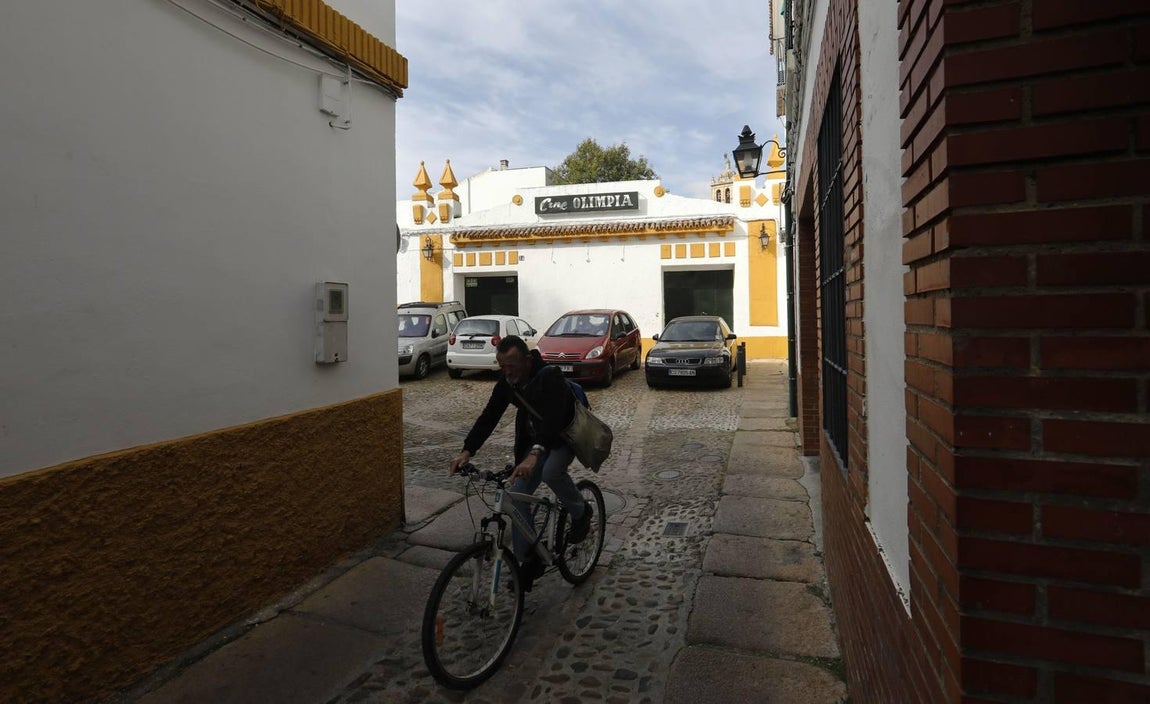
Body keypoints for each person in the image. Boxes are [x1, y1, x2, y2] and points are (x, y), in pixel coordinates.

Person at [450, 335, 593, 591]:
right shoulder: (507, 382)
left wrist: (534, 454)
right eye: (501, 366)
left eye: (511, 366)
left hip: (564, 434)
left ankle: (582, 512)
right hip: (537, 437)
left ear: (527, 361)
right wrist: (467, 450)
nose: (506, 371)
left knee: (550, 471)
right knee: (515, 495)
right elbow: (490, 415)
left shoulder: (550, 377)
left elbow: (553, 419)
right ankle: (527, 561)